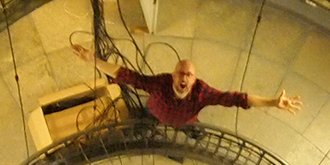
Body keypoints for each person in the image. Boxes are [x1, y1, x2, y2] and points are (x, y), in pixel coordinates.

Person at [72, 44, 303, 126]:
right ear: (173, 75)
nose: (184, 78)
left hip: (185, 120)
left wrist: (273, 102)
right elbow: (126, 75)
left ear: (194, 80)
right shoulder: (159, 85)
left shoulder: (202, 93)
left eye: (189, 75)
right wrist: (92, 60)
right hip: (155, 112)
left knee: (192, 128)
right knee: (146, 115)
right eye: (181, 73)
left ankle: (190, 129)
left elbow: (237, 99)